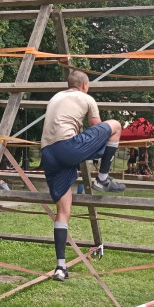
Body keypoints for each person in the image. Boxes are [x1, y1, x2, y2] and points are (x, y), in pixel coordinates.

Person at [40, 69, 125, 282]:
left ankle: (60, 267)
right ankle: (103, 178)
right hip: (68, 147)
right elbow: (98, 128)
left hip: (48, 153)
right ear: (85, 85)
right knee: (115, 126)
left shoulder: (55, 98)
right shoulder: (86, 98)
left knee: (63, 210)